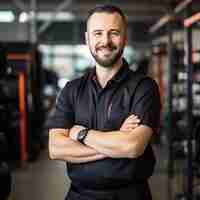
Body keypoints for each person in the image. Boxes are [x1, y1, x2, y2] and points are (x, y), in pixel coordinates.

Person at [48, 4, 161, 200]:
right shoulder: (72, 90)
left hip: (129, 195)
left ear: (124, 37)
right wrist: (115, 143)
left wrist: (80, 133)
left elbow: (132, 147)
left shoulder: (144, 87)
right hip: (79, 195)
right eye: (98, 33)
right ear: (87, 39)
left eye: (114, 33)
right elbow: (56, 148)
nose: (105, 41)